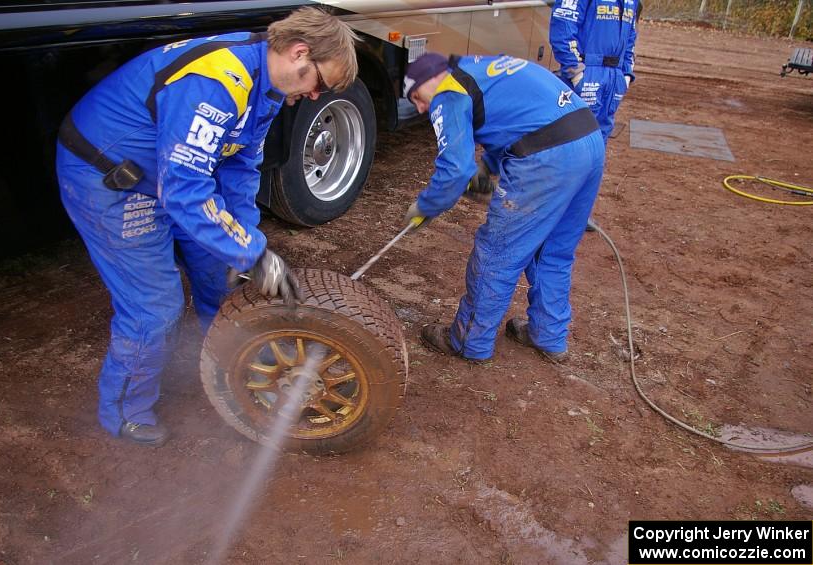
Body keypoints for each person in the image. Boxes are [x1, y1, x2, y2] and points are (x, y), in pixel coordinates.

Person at [56, 7, 358, 446]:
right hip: (109, 176)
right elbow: (185, 192)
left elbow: (241, 166)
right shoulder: (217, 81)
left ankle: (225, 372)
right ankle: (126, 411)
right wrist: (253, 255)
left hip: (168, 175)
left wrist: (249, 244)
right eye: (320, 83)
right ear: (299, 53)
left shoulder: (269, 87)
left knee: (223, 274)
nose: (316, 96)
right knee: (155, 306)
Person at [402, 52, 605, 362]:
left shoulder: (448, 89)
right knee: (554, 250)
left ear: (431, 78)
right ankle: (548, 335)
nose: (420, 108)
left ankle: (470, 341)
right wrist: (488, 167)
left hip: (548, 158)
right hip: (587, 141)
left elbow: (454, 171)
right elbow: (516, 119)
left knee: (497, 251)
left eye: (416, 96)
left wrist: (425, 207)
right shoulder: (478, 68)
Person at [549, 0, 639, 143]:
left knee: (600, 137)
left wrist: (626, 74)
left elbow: (631, 37)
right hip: (588, 71)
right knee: (575, 136)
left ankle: (595, 166)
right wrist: (575, 72)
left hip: (615, 76)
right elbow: (563, 26)